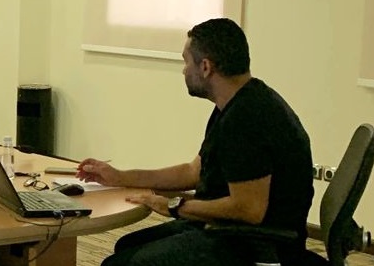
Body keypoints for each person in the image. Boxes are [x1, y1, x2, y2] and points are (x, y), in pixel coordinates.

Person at [78, 18, 313, 266]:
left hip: (252, 244)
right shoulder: (238, 103)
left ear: (205, 67)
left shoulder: (246, 119)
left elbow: (249, 209)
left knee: (120, 264)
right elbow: (193, 172)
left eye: (185, 61)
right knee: (127, 246)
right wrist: (120, 177)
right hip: (228, 230)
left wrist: (175, 206)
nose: (183, 71)